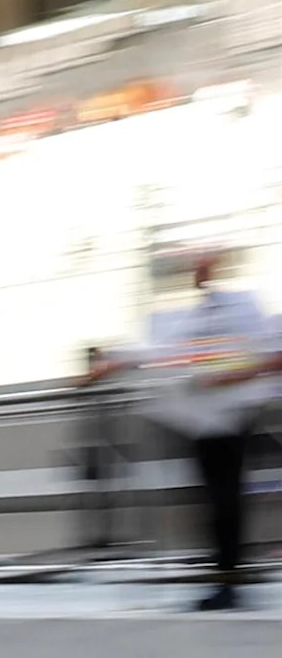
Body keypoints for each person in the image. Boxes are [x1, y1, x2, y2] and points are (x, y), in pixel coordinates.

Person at [89, 252, 275, 610]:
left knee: (224, 499)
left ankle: (229, 579)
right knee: (218, 499)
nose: (196, 275)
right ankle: (227, 577)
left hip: (227, 414)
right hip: (208, 415)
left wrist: (224, 377)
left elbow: (261, 355)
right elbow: (169, 353)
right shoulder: (196, 312)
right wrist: (117, 361)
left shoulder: (237, 305)